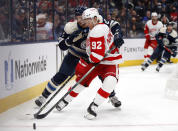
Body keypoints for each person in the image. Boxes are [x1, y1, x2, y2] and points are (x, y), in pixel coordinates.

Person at [35, 6, 124, 109]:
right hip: (74, 56)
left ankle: (112, 96)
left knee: (104, 76)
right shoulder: (71, 27)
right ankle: (43, 96)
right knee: (62, 75)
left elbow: (115, 25)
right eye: (78, 18)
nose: (81, 20)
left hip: (90, 58)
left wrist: (118, 35)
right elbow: (62, 46)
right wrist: (69, 40)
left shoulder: (95, 22)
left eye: (82, 17)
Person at [55, 8, 123, 120]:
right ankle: (65, 99)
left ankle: (94, 105)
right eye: (84, 20)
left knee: (110, 81)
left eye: (87, 20)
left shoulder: (99, 27)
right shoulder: (90, 26)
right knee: (81, 82)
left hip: (109, 61)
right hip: (93, 59)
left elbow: (115, 26)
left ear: (95, 18)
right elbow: (96, 56)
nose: (85, 22)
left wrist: (118, 35)